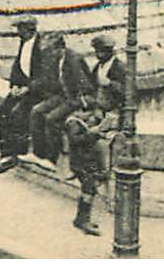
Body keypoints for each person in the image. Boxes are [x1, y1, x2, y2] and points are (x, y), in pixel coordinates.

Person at [0, 16, 41, 174]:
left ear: (28, 29)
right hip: (22, 87)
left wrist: (28, 88)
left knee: (20, 114)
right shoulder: (24, 42)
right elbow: (18, 66)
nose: (18, 32)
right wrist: (14, 86)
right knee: (2, 111)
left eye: (20, 28)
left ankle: (19, 153)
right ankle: (6, 156)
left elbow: (47, 75)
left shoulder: (43, 47)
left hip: (38, 90)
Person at [28, 32, 88, 165]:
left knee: (51, 118)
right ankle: (38, 154)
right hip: (61, 96)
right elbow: (49, 80)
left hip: (74, 99)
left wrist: (78, 102)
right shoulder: (55, 59)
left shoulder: (74, 60)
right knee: (36, 111)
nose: (48, 54)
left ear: (59, 48)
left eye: (50, 51)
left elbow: (85, 86)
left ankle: (51, 158)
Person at [65, 97, 118, 236]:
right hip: (81, 163)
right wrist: (93, 133)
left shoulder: (80, 122)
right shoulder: (73, 123)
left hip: (86, 162)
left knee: (90, 190)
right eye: (90, 114)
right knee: (88, 191)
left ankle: (81, 218)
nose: (92, 117)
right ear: (80, 111)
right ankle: (83, 220)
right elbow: (76, 140)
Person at [85, 34, 127, 113]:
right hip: (99, 106)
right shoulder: (98, 66)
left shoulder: (119, 67)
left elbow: (126, 90)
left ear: (109, 52)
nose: (99, 55)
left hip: (115, 108)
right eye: (97, 51)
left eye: (101, 52)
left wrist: (110, 83)